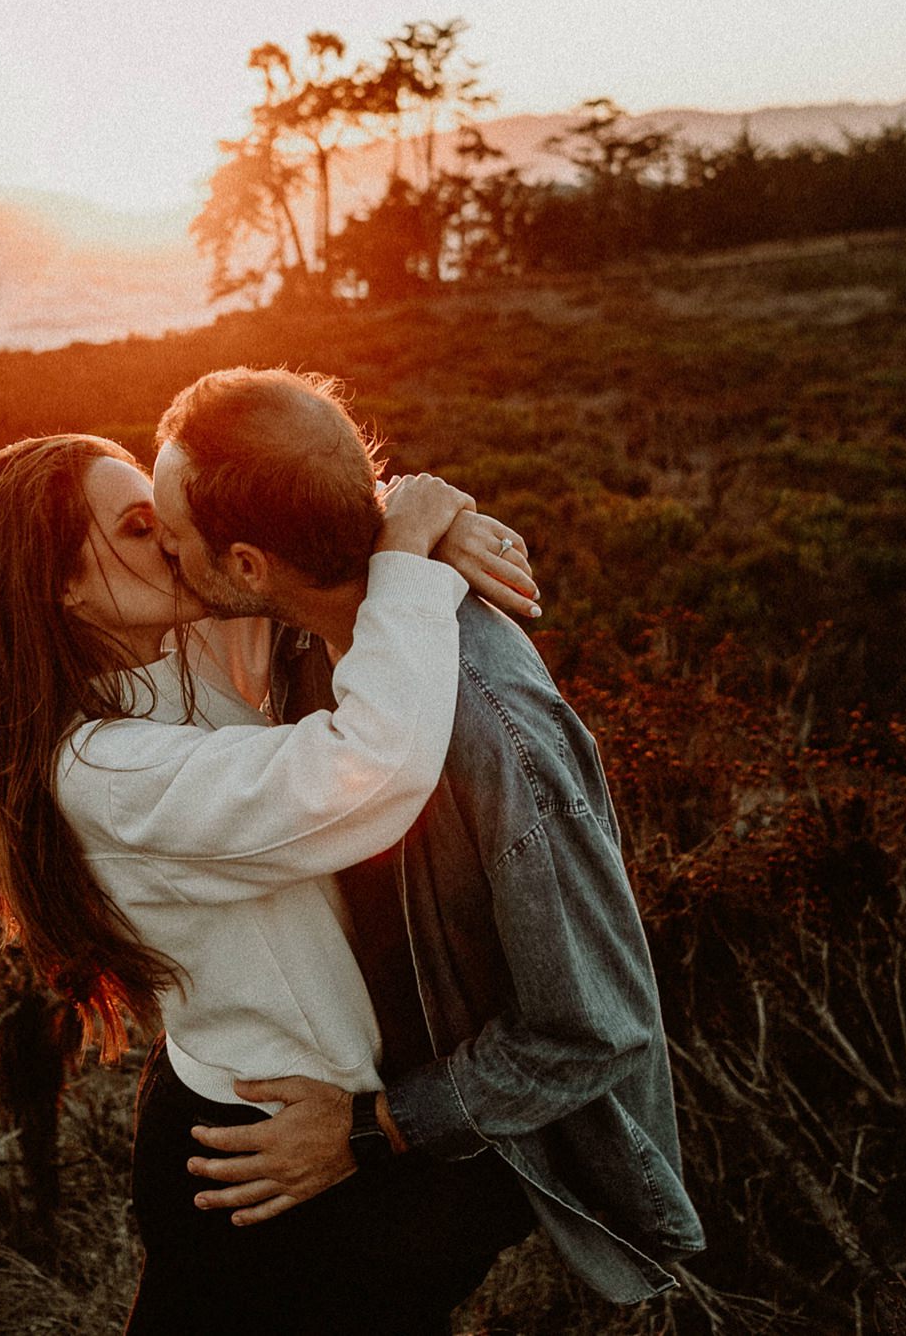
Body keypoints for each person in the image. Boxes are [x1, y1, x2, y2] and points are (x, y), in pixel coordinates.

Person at [0, 433, 547, 1334]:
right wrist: (408, 563)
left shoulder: (166, 641)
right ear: (63, 586)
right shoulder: (105, 771)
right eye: (141, 528)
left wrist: (422, 522)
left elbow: (284, 544)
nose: (178, 542)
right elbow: (372, 773)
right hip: (266, 1154)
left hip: (290, 1120)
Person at [151, 368, 706, 1308]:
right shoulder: (300, 623)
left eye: (171, 540)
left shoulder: (494, 729)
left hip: (470, 1140)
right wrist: (413, 516)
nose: (161, 557)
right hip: (365, 1067)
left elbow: (596, 1024)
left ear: (248, 565)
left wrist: (369, 1130)